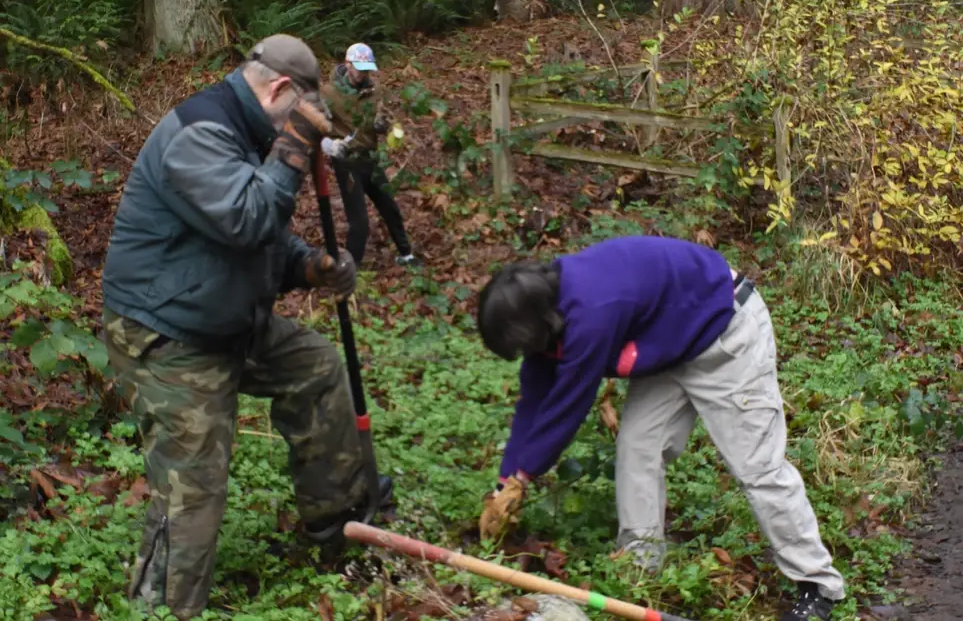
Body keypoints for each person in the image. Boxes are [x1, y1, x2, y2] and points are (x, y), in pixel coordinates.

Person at [100, 34, 392, 620]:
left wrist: (309, 265)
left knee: (315, 368)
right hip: (168, 335)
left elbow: (261, 239)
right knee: (194, 485)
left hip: (225, 319)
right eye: (297, 113)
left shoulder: (249, 131)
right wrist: (295, 144)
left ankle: (336, 527)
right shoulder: (199, 133)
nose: (297, 130)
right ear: (280, 89)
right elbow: (245, 217)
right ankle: (164, 607)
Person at [474, 235, 845, 621]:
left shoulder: (591, 311)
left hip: (724, 331)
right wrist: (505, 482)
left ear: (535, 323)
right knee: (638, 447)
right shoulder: (548, 314)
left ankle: (818, 583)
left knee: (758, 467)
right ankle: (640, 565)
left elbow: (567, 407)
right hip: (669, 343)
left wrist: (525, 474)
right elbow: (533, 402)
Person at [319, 42, 422, 268]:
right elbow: (313, 126)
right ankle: (349, 269)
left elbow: (384, 119)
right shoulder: (328, 93)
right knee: (360, 222)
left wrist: (382, 126)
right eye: (359, 68)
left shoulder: (375, 92)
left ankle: (406, 255)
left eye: (367, 69)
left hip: (370, 158)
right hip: (347, 161)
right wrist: (328, 144)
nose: (363, 74)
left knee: (390, 207)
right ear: (348, 64)